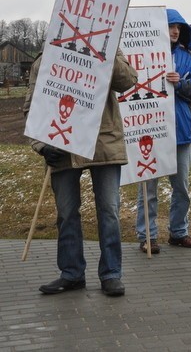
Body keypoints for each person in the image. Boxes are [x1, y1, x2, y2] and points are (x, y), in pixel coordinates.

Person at [24, 48, 138, 297]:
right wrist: (41, 145)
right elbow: (32, 106)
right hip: (61, 145)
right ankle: (71, 273)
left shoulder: (109, 46)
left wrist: (105, 54)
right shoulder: (46, 56)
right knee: (66, 213)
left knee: (109, 211)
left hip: (103, 143)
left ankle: (111, 274)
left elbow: (128, 81)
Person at [136, 8, 191, 254]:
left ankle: (178, 232)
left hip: (181, 132)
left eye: (179, 28)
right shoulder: (142, 56)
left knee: (182, 188)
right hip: (150, 134)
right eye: (171, 27)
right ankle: (147, 236)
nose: (175, 31)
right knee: (148, 188)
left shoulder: (187, 59)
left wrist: (181, 83)